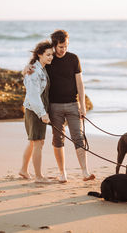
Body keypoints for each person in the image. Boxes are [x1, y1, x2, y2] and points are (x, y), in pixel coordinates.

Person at [24, 30, 95, 183]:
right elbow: (34, 67)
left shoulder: (73, 58)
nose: (64, 49)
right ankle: (63, 174)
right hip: (54, 106)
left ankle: (85, 172)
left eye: (66, 46)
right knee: (58, 139)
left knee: (79, 137)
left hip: (73, 104)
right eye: (61, 46)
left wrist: (82, 106)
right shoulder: (49, 58)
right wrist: (25, 69)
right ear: (54, 45)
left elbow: (80, 84)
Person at [19, 40, 54, 183]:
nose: (51, 57)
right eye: (48, 54)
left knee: (34, 142)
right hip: (35, 111)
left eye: (52, 55)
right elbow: (33, 96)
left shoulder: (41, 68)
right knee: (38, 142)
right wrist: (42, 114)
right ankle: (39, 177)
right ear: (40, 54)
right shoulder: (34, 71)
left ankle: (23, 170)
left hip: (34, 110)